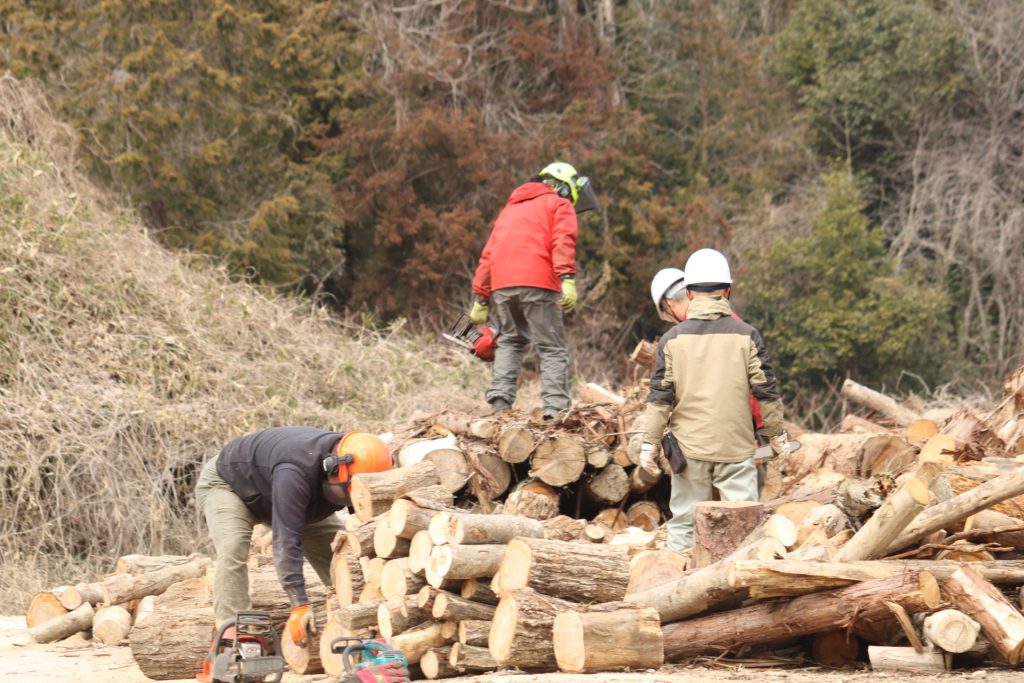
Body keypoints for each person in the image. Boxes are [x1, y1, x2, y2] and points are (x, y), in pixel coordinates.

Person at [639, 248, 794, 552]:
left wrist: (649, 443)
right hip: (736, 451)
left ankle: (679, 586)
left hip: (690, 452)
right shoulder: (747, 335)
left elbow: (660, 399)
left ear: (690, 292)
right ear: (727, 290)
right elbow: (766, 392)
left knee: (684, 524)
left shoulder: (671, 340)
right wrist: (777, 436)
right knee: (744, 525)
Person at [194, 427, 392, 643]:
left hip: (281, 490)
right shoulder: (294, 472)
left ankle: (364, 621)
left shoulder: (364, 462)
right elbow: (286, 541)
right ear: (333, 469)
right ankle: (232, 631)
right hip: (229, 484)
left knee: (338, 554)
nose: (347, 502)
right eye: (346, 493)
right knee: (233, 546)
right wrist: (299, 603)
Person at [470, 161, 599, 421]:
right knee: (551, 347)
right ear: (563, 187)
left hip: (502, 285)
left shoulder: (510, 209)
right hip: (538, 283)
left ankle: (499, 405)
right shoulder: (558, 204)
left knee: (510, 341)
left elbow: (489, 253)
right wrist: (567, 278)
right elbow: (562, 240)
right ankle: (555, 412)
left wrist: (481, 297)